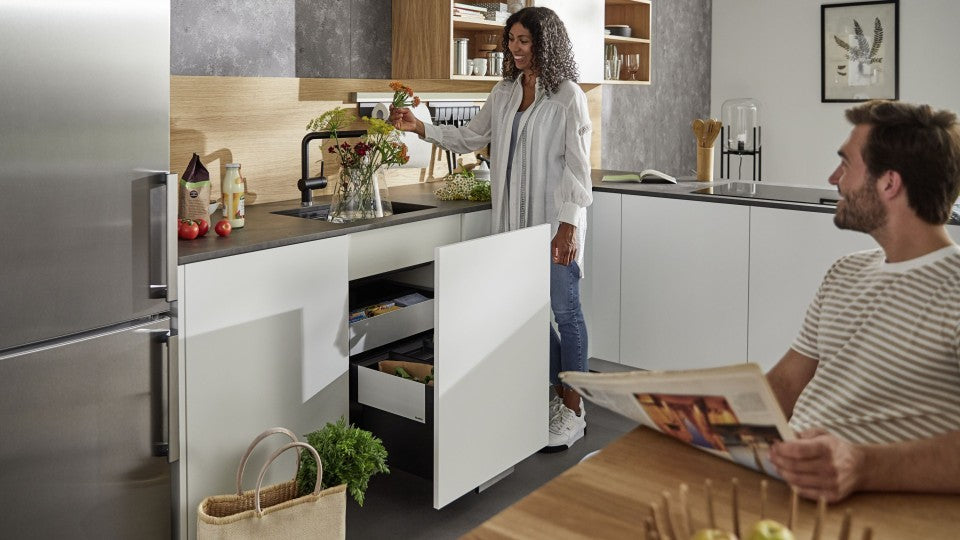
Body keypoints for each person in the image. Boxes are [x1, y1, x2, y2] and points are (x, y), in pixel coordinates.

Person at [390, 6, 593, 451]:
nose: (516, 50)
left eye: (525, 41)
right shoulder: (504, 91)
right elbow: (470, 137)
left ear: (546, 43)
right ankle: (556, 395)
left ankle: (574, 409)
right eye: (512, 40)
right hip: (511, 230)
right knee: (526, 314)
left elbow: (578, 171)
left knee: (566, 312)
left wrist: (568, 225)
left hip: (553, 225)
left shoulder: (567, 96)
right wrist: (420, 127)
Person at [766, 100, 960, 502]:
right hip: (789, 487)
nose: (833, 178)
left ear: (889, 183)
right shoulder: (844, 273)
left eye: (846, 164)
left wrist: (862, 465)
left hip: (878, 510)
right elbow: (785, 384)